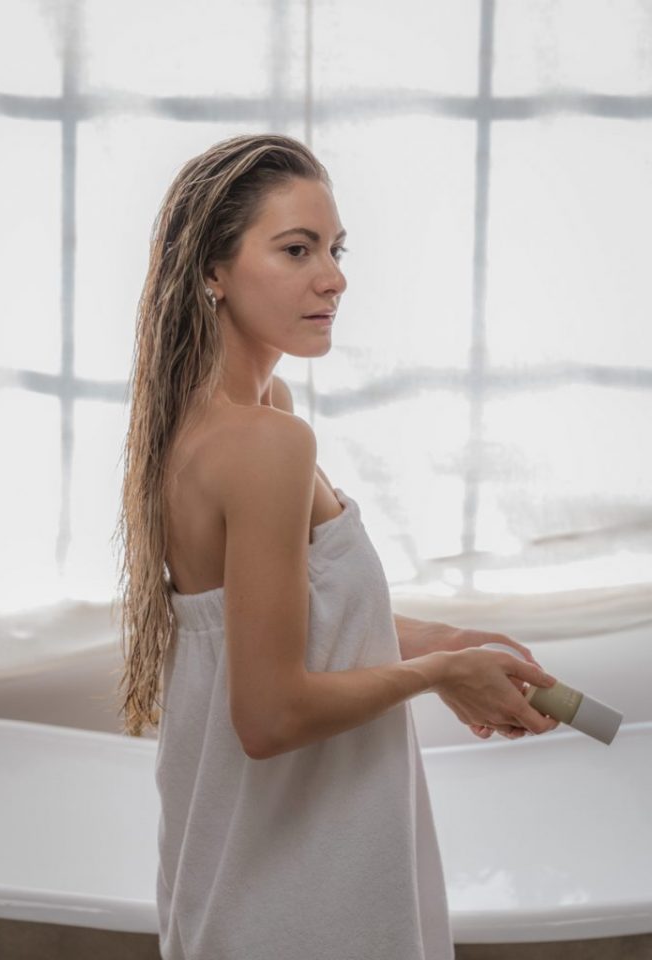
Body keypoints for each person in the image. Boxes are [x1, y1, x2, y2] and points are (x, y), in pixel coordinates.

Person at [112, 133, 560, 960]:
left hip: (240, 880)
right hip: (304, 896)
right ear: (213, 271)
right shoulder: (266, 444)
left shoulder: (216, 417)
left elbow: (269, 621)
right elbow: (271, 713)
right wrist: (439, 676)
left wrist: (444, 642)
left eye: (334, 248)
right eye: (296, 249)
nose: (334, 276)